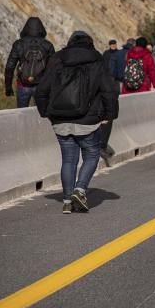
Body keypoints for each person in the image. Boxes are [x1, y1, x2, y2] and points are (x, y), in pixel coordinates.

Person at [35, 31, 119, 214]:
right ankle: (80, 189)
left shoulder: (57, 60)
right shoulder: (97, 61)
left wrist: (47, 113)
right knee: (91, 155)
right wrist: (109, 115)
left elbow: (41, 91)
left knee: (68, 160)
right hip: (88, 121)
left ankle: (66, 201)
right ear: (90, 44)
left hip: (60, 120)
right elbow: (109, 91)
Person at [4, 17, 56, 108]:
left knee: (22, 115)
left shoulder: (19, 44)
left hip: (22, 85)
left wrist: (8, 87)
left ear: (26, 28)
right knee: (41, 115)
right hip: (41, 86)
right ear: (41, 29)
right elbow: (54, 69)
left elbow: (10, 66)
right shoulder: (48, 45)